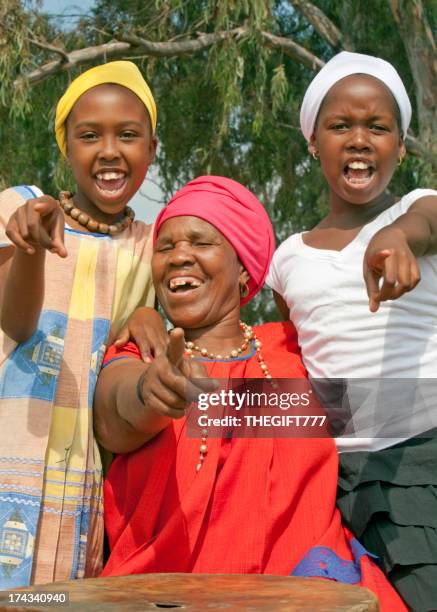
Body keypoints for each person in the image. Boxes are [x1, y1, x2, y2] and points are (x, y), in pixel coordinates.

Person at [94, 176, 406, 612]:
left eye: (200, 243)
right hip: (160, 599)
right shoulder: (141, 350)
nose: (179, 255)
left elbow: (382, 401)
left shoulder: (296, 350)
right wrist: (152, 391)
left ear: (243, 270)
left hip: (308, 596)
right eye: (165, 247)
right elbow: (113, 419)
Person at [267, 51, 437, 611]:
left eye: (377, 127)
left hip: (425, 450)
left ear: (401, 146)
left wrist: (400, 240)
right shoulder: (287, 257)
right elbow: (282, 357)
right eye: (341, 126)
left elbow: (424, 225)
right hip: (342, 476)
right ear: (314, 142)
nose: (359, 138)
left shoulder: (419, 208)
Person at [0, 60, 166, 587]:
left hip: (82, 477)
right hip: (10, 447)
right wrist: (29, 249)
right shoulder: (21, 209)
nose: (110, 151)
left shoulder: (152, 244)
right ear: (66, 149)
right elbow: (17, 322)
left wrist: (146, 315)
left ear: (152, 151)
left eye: (129, 136)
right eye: (89, 135)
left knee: (55, 597)